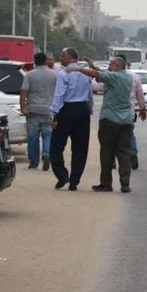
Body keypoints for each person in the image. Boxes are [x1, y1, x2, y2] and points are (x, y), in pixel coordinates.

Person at [69, 57, 144, 193]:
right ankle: (125, 184)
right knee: (124, 153)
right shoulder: (128, 77)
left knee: (106, 152)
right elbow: (104, 72)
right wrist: (93, 66)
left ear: (117, 65)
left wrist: (78, 68)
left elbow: (97, 74)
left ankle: (106, 184)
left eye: (111, 64)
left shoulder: (113, 77)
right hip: (126, 120)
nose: (109, 66)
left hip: (110, 119)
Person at [49, 47, 95, 190]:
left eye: (62, 56)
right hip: (82, 110)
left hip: (66, 109)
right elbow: (89, 94)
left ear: (69, 57)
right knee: (80, 147)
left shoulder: (64, 73)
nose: (60, 58)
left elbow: (59, 94)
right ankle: (75, 180)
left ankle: (62, 175)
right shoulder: (85, 73)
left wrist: (53, 113)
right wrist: (89, 109)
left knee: (56, 146)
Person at [19, 52, 58, 171]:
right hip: (48, 110)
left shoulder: (29, 74)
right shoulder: (54, 74)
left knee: (33, 137)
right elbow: (58, 93)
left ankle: (33, 163)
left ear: (35, 61)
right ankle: (46, 154)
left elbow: (24, 92)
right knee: (48, 135)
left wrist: (23, 107)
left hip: (33, 110)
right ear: (45, 60)